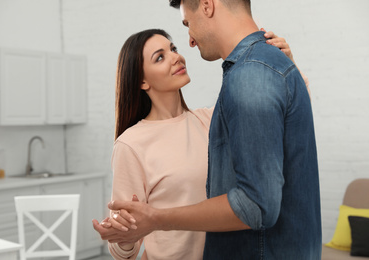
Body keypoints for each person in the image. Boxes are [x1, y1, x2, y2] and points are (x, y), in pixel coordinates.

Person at [94, 0, 321, 259]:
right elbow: (123, 246)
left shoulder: (209, 121)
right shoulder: (131, 144)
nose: (177, 55)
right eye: (160, 57)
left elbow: (282, 115)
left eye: (172, 48)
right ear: (142, 81)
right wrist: (127, 234)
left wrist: (284, 65)